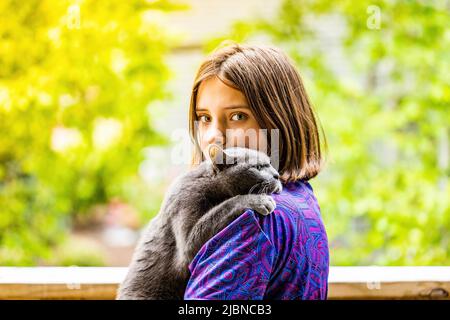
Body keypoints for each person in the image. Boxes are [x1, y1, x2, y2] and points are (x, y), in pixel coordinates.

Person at [184, 43, 329, 299]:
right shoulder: (301, 198)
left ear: (280, 122)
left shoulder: (254, 216)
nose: (213, 137)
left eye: (238, 116)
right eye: (205, 118)